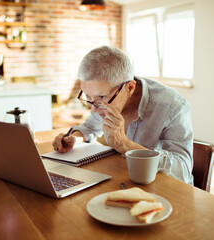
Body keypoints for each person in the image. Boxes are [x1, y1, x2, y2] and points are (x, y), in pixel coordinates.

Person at [52, 46, 194, 185]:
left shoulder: (173, 106)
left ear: (130, 88)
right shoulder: (100, 101)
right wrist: (73, 139)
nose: (94, 109)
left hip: (165, 189)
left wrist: (124, 144)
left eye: (101, 97)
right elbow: (90, 127)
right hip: (121, 180)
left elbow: (183, 170)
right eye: (87, 96)